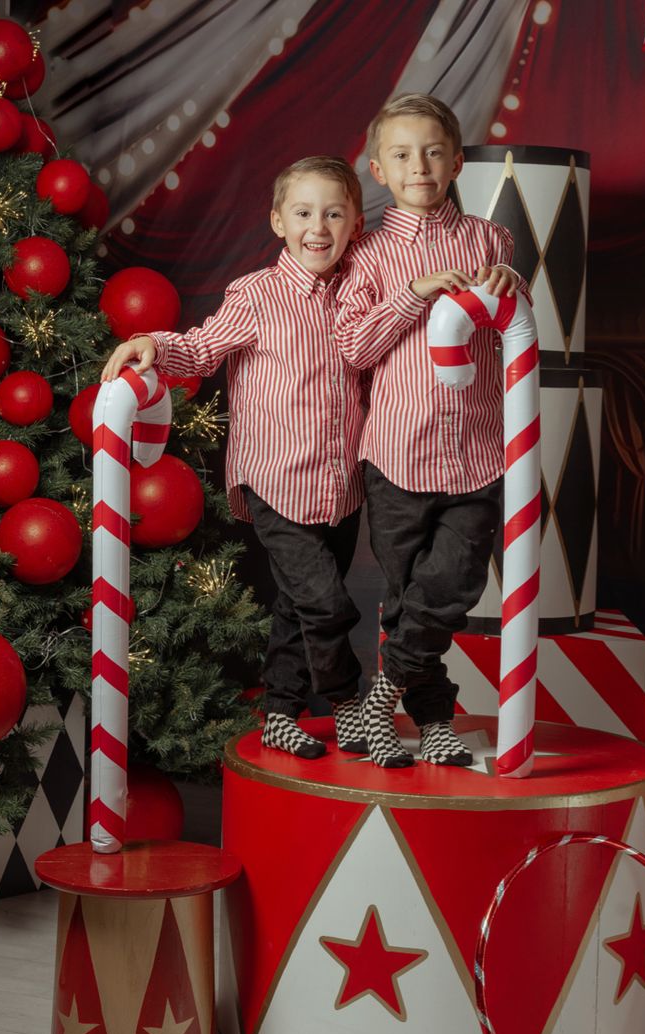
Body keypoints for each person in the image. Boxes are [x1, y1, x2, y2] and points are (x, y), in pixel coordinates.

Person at [101, 156, 372, 762]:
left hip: (342, 482)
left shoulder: (361, 292)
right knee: (325, 603)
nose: (318, 227)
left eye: (334, 213)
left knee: (296, 606)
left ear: (356, 224)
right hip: (276, 479)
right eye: (303, 213)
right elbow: (199, 349)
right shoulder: (257, 294)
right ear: (278, 221)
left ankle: (279, 712)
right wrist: (155, 343)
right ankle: (351, 705)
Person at [335, 93, 530, 769]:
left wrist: (513, 285)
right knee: (410, 600)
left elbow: (515, 327)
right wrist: (414, 295)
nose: (418, 165)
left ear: (455, 161)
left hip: (477, 450)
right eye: (401, 154)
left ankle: (378, 698)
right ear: (379, 170)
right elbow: (355, 348)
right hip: (395, 457)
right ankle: (435, 721)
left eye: (432, 151)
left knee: (451, 585)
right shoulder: (365, 253)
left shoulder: (490, 240)